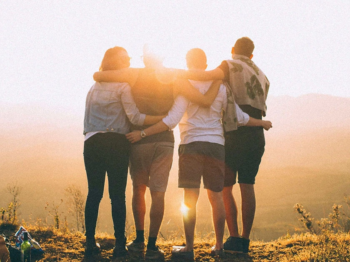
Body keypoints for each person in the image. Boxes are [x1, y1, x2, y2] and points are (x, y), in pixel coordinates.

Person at [126, 48, 272, 259]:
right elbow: (239, 117)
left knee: (190, 199)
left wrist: (143, 133)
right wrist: (262, 123)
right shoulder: (221, 87)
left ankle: (189, 247)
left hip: (191, 145)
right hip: (216, 146)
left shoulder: (185, 86)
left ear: (187, 63)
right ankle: (219, 245)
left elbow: (172, 120)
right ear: (206, 65)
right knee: (216, 197)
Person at [93, 47, 221, 259]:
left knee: (139, 189)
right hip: (164, 141)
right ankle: (152, 245)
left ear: (144, 59)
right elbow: (201, 84)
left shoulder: (134, 73)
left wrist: (99, 74)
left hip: (138, 140)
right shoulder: (174, 74)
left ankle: (139, 239)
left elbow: (99, 75)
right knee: (158, 193)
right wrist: (218, 76)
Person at [178, 37, 271, 253]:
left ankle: (233, 238)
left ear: (232, 50)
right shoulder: (262, 75)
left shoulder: (228, 65)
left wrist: (176, 74)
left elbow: (208, 76)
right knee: (248, 185)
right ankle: (244, 241)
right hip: (255, 134)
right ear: (252, 55)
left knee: (225, 188)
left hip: (234, 132)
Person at [82, 46, 164, 260]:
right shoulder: (123, 86)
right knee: (117, 195)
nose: (128, 60)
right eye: (124, 58)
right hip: (117, 143)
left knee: (94, 193)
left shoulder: (93, 87)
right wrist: (161, 119)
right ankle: (119, 245)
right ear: (115, 63)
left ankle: (90, 243)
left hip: (92, 142)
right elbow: (135, 118)